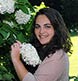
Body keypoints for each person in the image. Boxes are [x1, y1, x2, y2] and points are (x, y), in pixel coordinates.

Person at [11, 8, 72, 81]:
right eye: (37, 27)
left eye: (47, 26)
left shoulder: (57, 56)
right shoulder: (41, 49)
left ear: (56, 29)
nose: (41, 31)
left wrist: (16, 60)